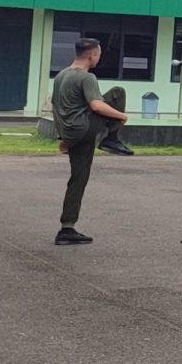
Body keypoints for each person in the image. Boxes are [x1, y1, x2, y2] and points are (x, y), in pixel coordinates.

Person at [51, 36, 129, 245]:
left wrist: (63, 137)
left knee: (78, 178)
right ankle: (112, 138)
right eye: (99, 54)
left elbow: (56, 107)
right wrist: (122, 117)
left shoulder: (61, 76)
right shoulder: (87, 78)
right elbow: (96, 105)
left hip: (71, 133)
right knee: (117, 93)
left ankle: (67, 228)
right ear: (92, 55)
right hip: (84, 129)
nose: (99, 58)